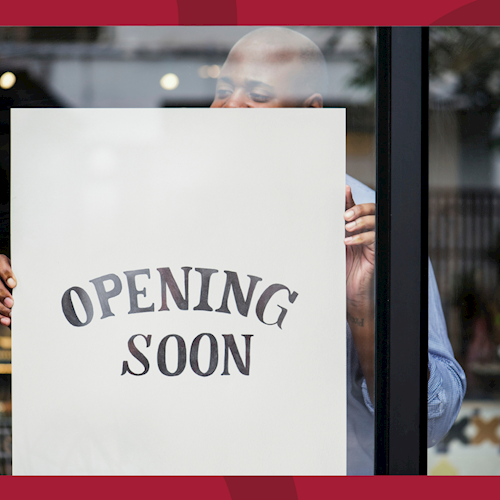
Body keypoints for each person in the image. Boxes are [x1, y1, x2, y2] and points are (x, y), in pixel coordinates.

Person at [0, 27, 465, 474]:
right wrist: (26, 292)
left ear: (310, 111)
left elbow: (428, 424)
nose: (230, 107)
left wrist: (365, 312)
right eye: (222, 90)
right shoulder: (149, 213)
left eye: (258, 96)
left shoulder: (365, 226)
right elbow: (95, 340)